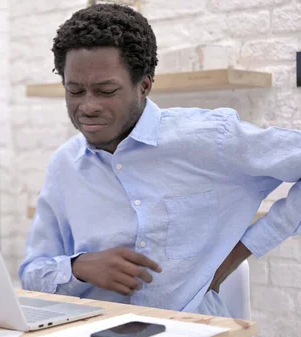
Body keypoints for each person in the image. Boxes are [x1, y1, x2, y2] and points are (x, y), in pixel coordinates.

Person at [18, 3, 301, 318]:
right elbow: (32, 274)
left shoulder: (209, 139)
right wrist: (78, 267)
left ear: (145, 85)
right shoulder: (64, 165)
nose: (88, 106)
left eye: (106, 90)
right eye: (75, 91)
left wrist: (241, 252)